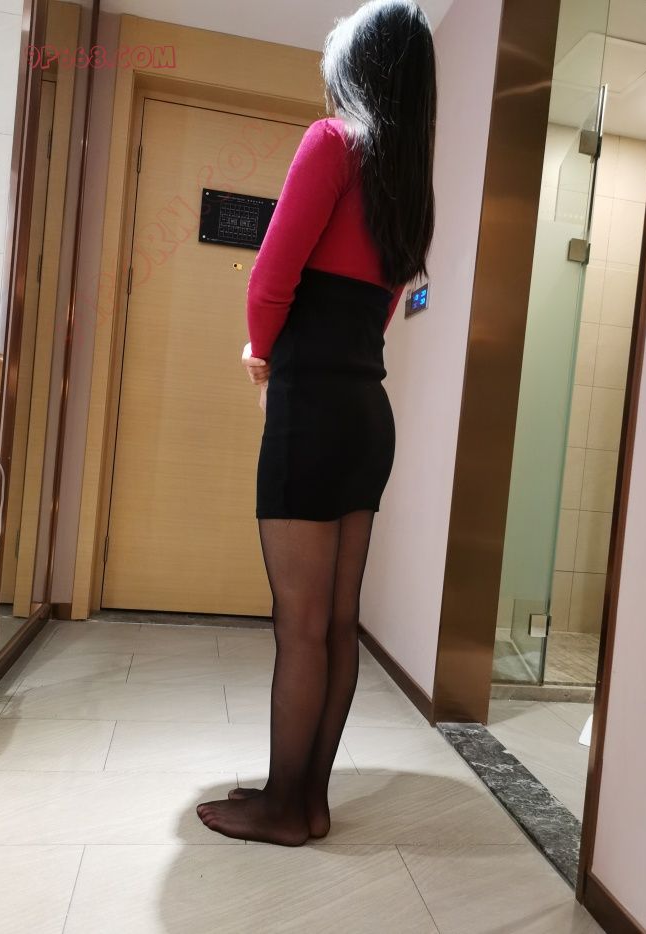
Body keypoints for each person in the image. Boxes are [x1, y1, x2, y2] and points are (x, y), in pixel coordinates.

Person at [196, 0, 437, 846]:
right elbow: (381, 312)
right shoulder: (409, 189)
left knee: (298, 623)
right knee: (335, 619)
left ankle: (281, 808)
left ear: (360, 69)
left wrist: (262, 354)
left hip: (312, 410)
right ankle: (310, 799)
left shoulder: (334, 143)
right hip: (367, 414)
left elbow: (272, 278)